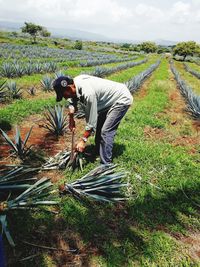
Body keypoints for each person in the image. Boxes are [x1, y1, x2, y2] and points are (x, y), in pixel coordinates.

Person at [53, 75, 133, 165]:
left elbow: (91, 122)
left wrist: (83, 140)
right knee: (100, 127)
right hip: (106, 101)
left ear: (69, 88)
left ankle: (106, 165)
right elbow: (72, 99)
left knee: (106, 131)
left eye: (64, 95)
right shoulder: (74, 83)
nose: (65, 98)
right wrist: (71, 117)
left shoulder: (88, 93)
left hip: (121, 99)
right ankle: (99, 151)